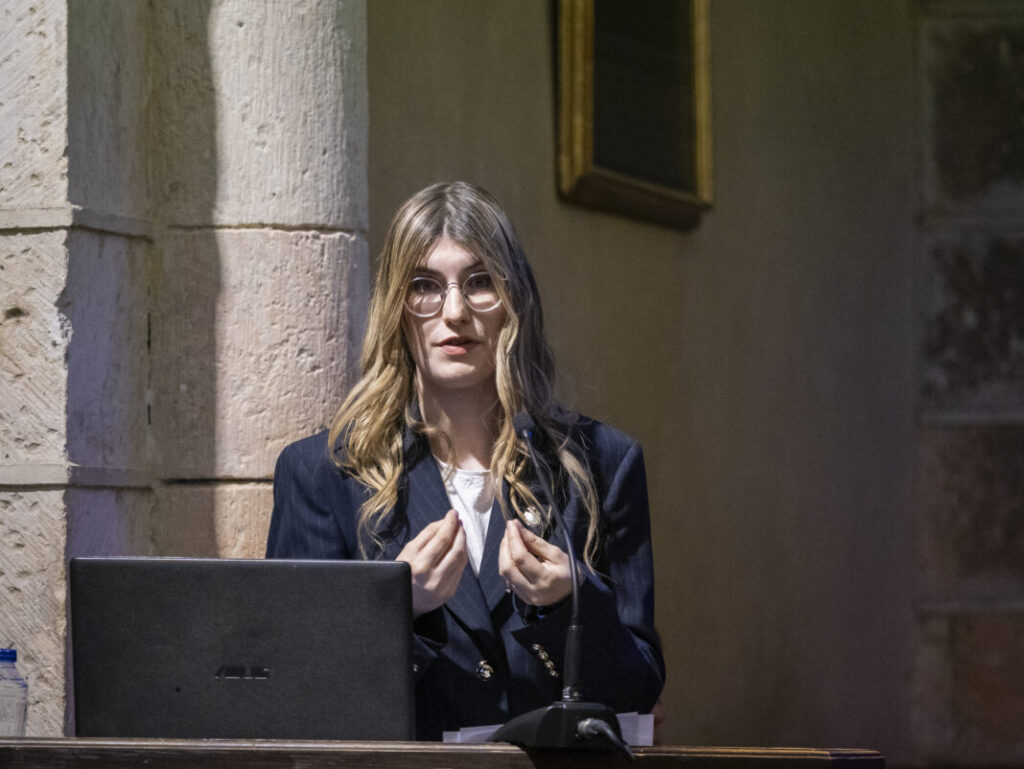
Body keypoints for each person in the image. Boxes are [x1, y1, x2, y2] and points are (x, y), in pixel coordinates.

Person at [266, 181, 664, 740]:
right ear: (396, 309)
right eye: (424, 286)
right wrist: (395, 606)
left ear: (514, 300)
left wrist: (573, 600)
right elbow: (289, 693)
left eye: (480, 283)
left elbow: (639, 687)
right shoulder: (323, 474)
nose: (454, 312)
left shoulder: (599, 463)